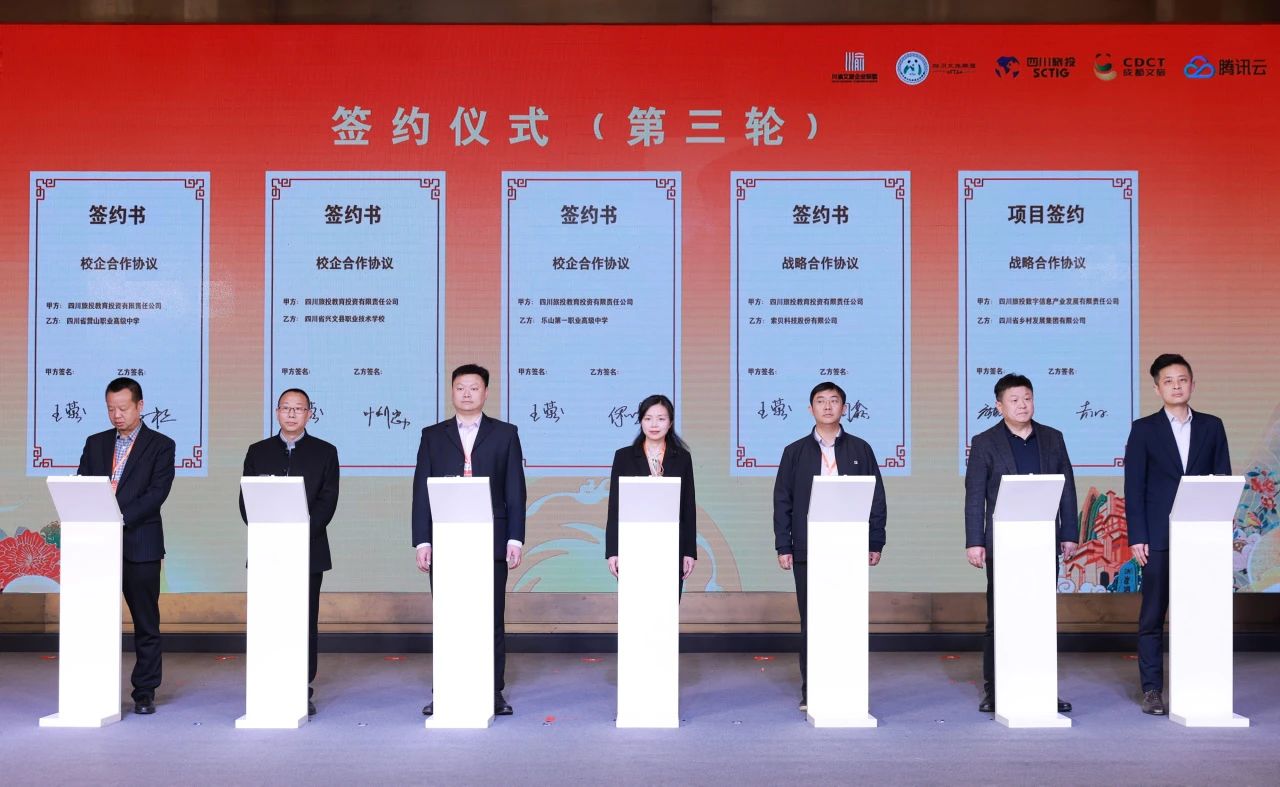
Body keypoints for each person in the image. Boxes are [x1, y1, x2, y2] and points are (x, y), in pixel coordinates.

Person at [412, 364, 526, 717]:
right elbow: (421, 491)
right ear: (452, 391)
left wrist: (515, 538)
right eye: (460, 387)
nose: (466, 393)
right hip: (447, 541)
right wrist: (422, 541)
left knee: (490, 619)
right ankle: (446, 689)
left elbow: (515, 489)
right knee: (449, 619)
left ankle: (492, 691)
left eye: (474, 387)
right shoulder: (433, 435)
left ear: (485, 392)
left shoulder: (505, 433)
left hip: (491, 540)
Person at [963, 373, 1078, 715]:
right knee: (1000, 619)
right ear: (999, 406)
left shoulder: (1053, 438)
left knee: (1039, 617)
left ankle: (1042, 689)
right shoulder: (985, 442)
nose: (1022, 405)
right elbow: (975, 496)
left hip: (1042, 541)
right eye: (1014, 400)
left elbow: (1067, 488)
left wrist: (1069, 533)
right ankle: (995, 690)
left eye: (1027, 398)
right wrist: (974, 541)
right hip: (1003, 544)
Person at [1124, 353, 1230, 716]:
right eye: (1168, 381)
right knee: (1153, 616)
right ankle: (1153, 689)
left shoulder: (1212, 427)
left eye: (1182, 379)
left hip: (1201, 537)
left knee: (1200, 612)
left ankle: (1198, 684)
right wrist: (1137, 536)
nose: (1176, 386)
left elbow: (1222, 479)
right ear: (1157, 388)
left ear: (1193, 384)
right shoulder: (1144, 429)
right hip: (1157, 537)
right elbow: (1134, 487)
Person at [772, 381, 887, 711]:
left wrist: (875, 540)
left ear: (844, 408)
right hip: (808, 548)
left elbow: (876, 498)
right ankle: (812, 691)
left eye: (834, 401)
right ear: (810, 409)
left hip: (849, 548)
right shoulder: (794, 452)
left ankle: (847, 688)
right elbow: (782, 501)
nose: (827, 406)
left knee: (847, 619)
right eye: (820, 401)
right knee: (813, 621)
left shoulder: (861, 449)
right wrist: (784, 545)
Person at [76, 377, 175, 715]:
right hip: (97, 546)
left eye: (122, 408)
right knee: (95, 619)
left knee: (145, 622)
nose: (116, 415)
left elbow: (157, 494)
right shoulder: (96, 443)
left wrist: (117, 518)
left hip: (140, 543)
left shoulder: (161, 445)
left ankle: (144, 691)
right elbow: (83, 485)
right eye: (110, 409)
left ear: (140, 406)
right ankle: (94, 687)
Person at [238, 388, 339, 717]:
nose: (292, 414)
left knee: (304, 621)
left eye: (299, 408)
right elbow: (246, 500)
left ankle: (300, 687)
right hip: (267, 551)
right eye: (286, 408)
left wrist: (298, 534)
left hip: (308, 551)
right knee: (269, 619)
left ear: (309, 413)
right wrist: (271, 534)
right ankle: (268, 683)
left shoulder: (325, 452)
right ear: (277, 412)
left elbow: (327, 502)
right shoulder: (258, 451)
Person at [604, 393, 697, 587]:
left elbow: (688, 507)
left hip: (672, 546)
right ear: (640, 421)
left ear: (670, 422)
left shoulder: (682, 458)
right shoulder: (624, 457)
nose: (654, 425)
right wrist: (613, 550)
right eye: (648, 418)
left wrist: (689, 551)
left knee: (667, 603)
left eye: (661, 419)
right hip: (633, 546)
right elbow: (615, 507)